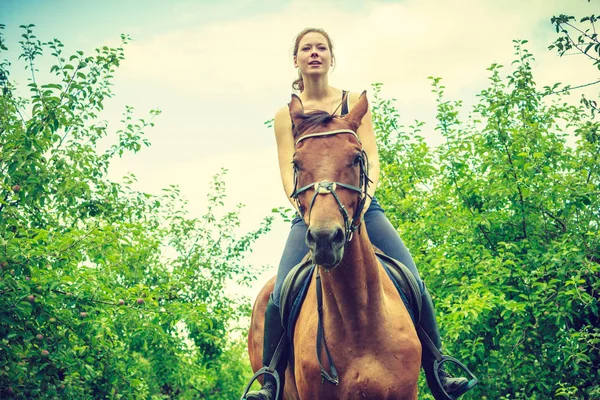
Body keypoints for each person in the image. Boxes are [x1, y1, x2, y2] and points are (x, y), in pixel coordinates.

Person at [244, 27, 477, 400]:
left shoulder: (354, 102)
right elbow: (289, 175)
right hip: (310, 213)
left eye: (321, 47)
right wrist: (309, 210)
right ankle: (270, 381)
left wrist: (363, 202)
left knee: (413, 281)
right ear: (297, 59)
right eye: (307, 48)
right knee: (280, 293)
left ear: (331, 57)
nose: (314, 53)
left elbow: (371, 159)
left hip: (361, 208)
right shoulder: (284, 115)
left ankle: (438, 370)